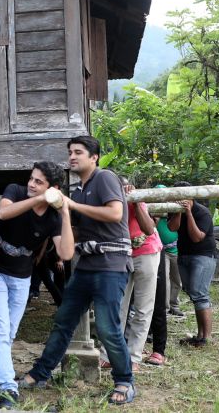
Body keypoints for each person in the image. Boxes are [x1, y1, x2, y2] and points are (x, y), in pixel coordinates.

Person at [20, 135, 136, 407]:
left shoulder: (105, 177)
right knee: (63, 321)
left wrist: (71, 206)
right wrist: (59, 216)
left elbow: (115, 214)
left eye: (78, 152)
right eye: (70, 152)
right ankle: (41, 374)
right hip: (84, 266)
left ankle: (124, 380)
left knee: (108, 328)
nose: (72, 157)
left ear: (94, 157)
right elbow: (73, 232)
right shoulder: (78, 189)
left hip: (111, 264)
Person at [0, 162, 73, 409]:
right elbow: (4, 213)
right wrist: (38, 198)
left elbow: (65, 252)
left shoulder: (54, 217)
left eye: (39, 182)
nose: (31, 184)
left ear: (53, 188)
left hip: (22, 277)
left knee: (10, 331)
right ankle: (8, 388)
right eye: (31, 179)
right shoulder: (15, 190)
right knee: (1, 331)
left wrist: (65, 215)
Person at [100, 188, 161, 369]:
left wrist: (135, 200)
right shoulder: (108, 201)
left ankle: (134, 357)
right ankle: (109, 355)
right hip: (121, 254)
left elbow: (149, 229)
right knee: (117, 307)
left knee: (143, 308)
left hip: (147, 251)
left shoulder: (137, 199)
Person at [168, 196, 216, 347]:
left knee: (200, 294)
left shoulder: (202, 212)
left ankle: (206, 337)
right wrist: (178, 212)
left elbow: (197, 237)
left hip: (203, 256)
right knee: (194, 295)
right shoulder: (174, 209)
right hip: (184, 255)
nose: (180, 201)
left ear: (191, 198)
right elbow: (172, 228)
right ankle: (200, 335)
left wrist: (188, 213)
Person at [155, 214, 184, 316]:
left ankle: (174, 305)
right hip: (163, 252)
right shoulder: (157, 215)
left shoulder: (175, 214)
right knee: (165, 280)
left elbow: (175, 227)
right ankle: (165, 308)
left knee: (177, 280)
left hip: (176, 251)